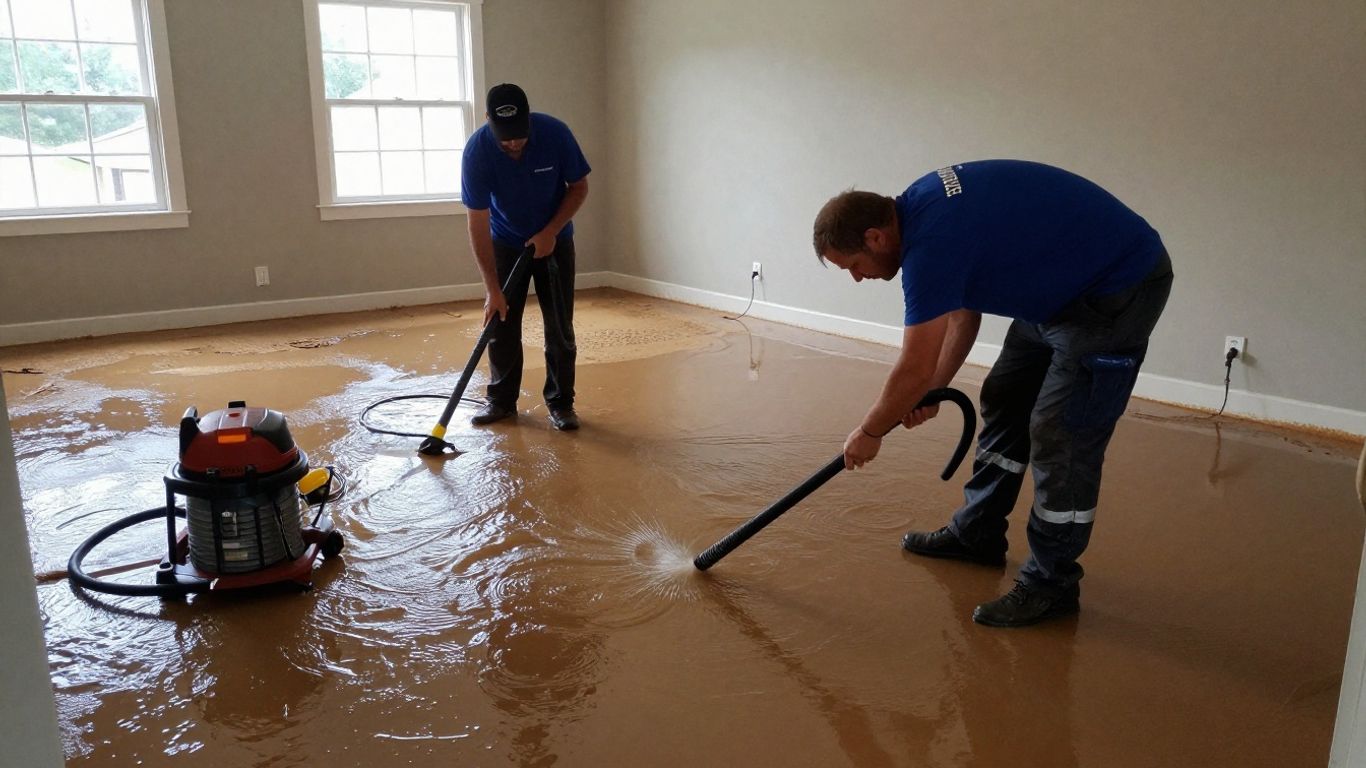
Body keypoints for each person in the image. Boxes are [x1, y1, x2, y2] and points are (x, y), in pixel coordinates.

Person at [813, 159, 1173, 628]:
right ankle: (977, 535)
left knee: (1060, 434)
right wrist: (936, 388)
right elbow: (963, 315)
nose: (857, 278)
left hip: (1117, 288)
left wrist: (870, 430)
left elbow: (913, 366)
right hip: (1058, 291)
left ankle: (1052, 584)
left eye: (853, 266)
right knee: (1004, 394)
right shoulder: (919, 206)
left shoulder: (930, 246)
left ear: (875, 238)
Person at [461, 83, 591, 431]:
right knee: (500, 323)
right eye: (505, 137)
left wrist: (551, 231)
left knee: (559, 326)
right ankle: (502, 402)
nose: (514, 143)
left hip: (555, 241)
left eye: (519, 134)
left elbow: (579, 187)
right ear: (488, 120)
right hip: (505, 242)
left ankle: (561, 404)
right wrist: (492, 289)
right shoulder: (477, 152)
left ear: (529, 117)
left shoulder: (555, 134)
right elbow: (477, 221)